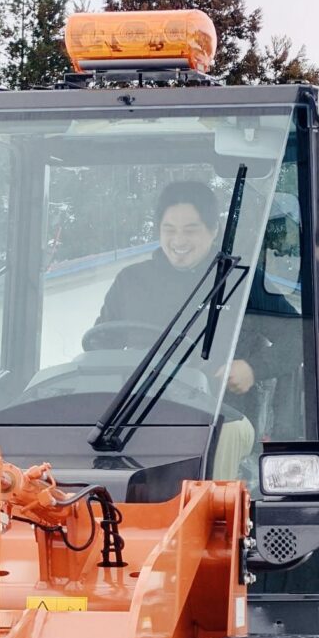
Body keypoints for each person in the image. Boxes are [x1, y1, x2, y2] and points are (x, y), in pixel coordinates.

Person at [94, 181, 260, 479]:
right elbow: (98, 346)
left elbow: (297, 336)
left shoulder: (239, 282)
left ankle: (216, 519)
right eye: (169, 229)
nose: (178, 239)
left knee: (226, 435)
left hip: (220, 413)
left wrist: (252, 367)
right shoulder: (130, 281)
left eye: (190, 229)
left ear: (212, 231)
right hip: (141, 409)